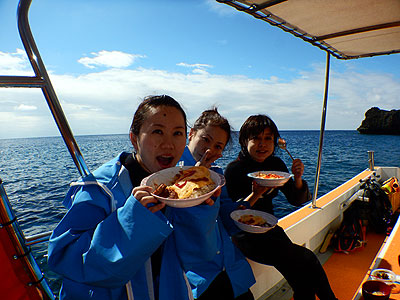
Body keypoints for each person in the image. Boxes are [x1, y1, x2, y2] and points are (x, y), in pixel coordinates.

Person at [47, 95, 254, 300]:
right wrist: (132, 219)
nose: (169, 144)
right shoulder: (101, 188)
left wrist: (200, 210)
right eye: (157, 131)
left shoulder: (177, 187)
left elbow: (197, 258)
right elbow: (64, 258)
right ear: (134, 139)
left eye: (177, 133)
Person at [224, 114, 338, 300]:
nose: (262, 144)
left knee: (301, 278)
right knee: (307, 259)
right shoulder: (235, 169)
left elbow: (295, 199)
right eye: (256, 138)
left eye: (268, 138)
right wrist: (256, 194)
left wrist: (298, 178)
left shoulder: (275, 164)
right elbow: (233, 214)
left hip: (270, 230)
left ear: (275, 142)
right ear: (245, 141)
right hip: (246, 237)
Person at [174, 107, 255, 300]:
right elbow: (174, 218)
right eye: (205, 139)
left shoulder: (217, 174)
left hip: (228, 263)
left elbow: (224, 213)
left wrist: (246, 204)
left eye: (218, 146)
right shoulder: (171, 171)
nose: (210, 149)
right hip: (196, 271)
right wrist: (195, 177)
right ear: (191, 134)